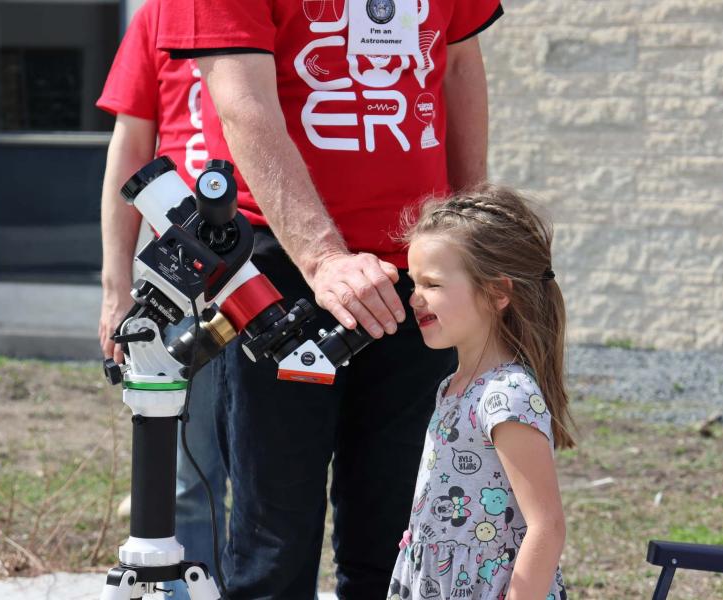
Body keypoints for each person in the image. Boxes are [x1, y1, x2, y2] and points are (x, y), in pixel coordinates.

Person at [156, 1, 503, 597]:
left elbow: (458, 64)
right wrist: (324, 257)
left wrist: (470, 230)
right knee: (275, 539)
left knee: (398, 531)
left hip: (420, 265)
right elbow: (244, 104)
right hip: (279, 265)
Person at [96, 2, 226, 598]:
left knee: (267, 480)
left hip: (275, 270)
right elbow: (129, 148)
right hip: (181, 287)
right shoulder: (162, 15)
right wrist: (116, 288)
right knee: (183, 483)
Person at [390, 186, 573, 599]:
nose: (414, 298)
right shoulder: (452, 388)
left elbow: (547, 526)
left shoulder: (507, 395)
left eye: (431, 284)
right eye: (414, 282)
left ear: (497, 292)